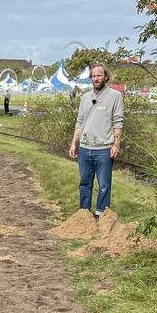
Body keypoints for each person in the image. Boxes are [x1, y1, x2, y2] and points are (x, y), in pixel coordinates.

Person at [68, 64, 124, 215]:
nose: (96, 78)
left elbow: (118, 122)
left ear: (105, 77)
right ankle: (84, 214)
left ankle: (101, 215)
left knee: (104, 185)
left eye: (99, 75)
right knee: (84, 183)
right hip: (85, 148)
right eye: (93, 76)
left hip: (104, 149)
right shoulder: (85, 98)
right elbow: (79, 122)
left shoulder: (115, 96)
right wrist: (74, 144)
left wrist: (116, 144)